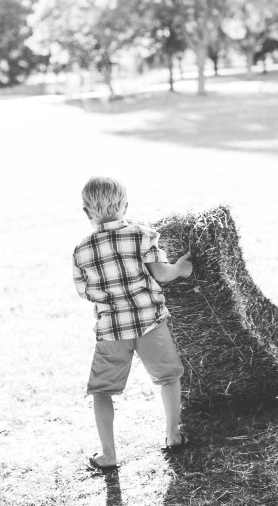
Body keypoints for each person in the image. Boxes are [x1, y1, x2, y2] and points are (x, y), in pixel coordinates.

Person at [72, 176, 193, 472]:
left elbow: (83, 292)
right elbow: (162, 274)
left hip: (112, 331)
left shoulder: (81, 250)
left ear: (87, 212)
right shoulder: (142, 234)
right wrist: (179, 268)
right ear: (125, 205)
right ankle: (173, 436)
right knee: (168, 378)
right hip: (150, 322)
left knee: (101, 392)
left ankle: (108, 455)